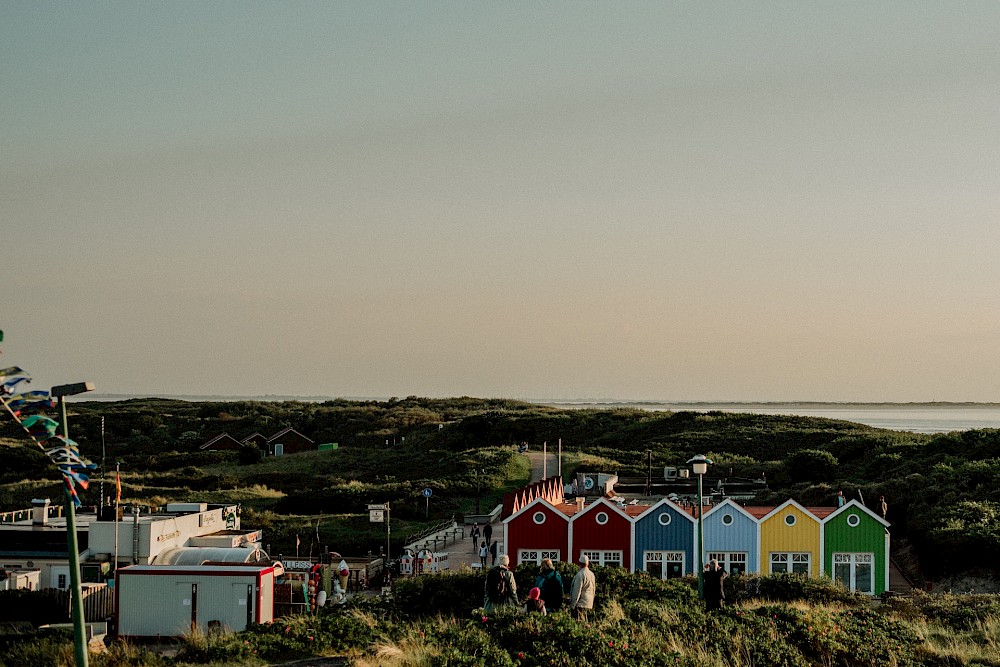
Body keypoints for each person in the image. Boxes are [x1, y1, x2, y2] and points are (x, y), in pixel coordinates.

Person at [570, 554, 596, 621]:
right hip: (589, 603)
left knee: (579, 623)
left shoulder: (580, 574)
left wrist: (573, 605)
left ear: (580, 563)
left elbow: (577, 591)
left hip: (580, 604)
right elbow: (593, 589)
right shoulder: (592, 574)